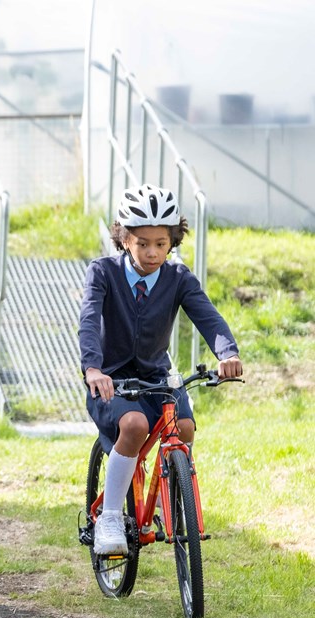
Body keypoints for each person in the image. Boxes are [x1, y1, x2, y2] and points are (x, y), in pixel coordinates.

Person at [79, 184, 242, 555]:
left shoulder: (178, 278)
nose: (152, 253)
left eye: (161, 244)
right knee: (134, 425)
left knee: (183, 428)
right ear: (123, 238)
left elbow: (208, 318)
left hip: (156, 377)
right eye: (142, 243)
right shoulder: (102, 272)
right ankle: (109, 518)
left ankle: (170, 495)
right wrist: (93, 369)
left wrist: (227, 352)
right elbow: (88, 321)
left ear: (173, 242)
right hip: (111, 380)